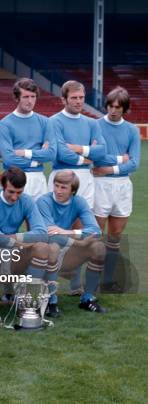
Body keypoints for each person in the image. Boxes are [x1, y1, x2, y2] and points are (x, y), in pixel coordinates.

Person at [0, 167, 48, 322]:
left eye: (19, 192)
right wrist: (13, 242)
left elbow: (41, 232)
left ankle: (28, 304)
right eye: (11, 192)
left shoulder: (27, 201)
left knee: (42, 248)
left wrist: (15, 238)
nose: (15, 197)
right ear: (2, 186)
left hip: (12, 249)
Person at [36, 170, 105, 315]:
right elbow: (50, 234)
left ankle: (86, 299)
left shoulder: (79, 202)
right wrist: (77, 240)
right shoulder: (43, 201)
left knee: (99, 248)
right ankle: (51, 302)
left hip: (67, 246)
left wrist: (68, 232)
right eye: (56, 185)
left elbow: (96, 231)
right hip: (44, 253)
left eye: (63, 187)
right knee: (53, 247)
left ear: (72, 191)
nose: (58, 191)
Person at [92, 87, 140, 291]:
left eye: (117, 107)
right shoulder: (95, 126)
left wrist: (109, 168)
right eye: (110, 106)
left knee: (115, 236)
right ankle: (92, 280)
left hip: (122, 186)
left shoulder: (131, 130)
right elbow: (97, 157)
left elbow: (135, 163)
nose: (113, 110)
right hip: (100, 185)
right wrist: (121, 158)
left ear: (124, 109)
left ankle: (108, 280)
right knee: (95, 234)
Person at [48, 80, 106, 209]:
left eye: (81, 97)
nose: (79, 101)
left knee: (82, 224)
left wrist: (79, 149)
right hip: (61, 176)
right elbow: (62, 153)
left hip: (86, 178)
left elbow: (102, 151)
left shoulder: (92, 123)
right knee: (60, 225)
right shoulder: (53, 121)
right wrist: (86, 158)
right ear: (64, 100)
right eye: (74, 98)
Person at [0, 78, 55, 200]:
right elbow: (8, 159)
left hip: (38, 179)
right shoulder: (5, 124)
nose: (30, 101)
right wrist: (37, 160)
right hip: (14, 179)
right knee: (13, 219)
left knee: (38, 218)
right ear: (17, 98)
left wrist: (25, 153)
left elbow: (51, 154)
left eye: (33, 96)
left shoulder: (45, 122)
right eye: (25, 97)